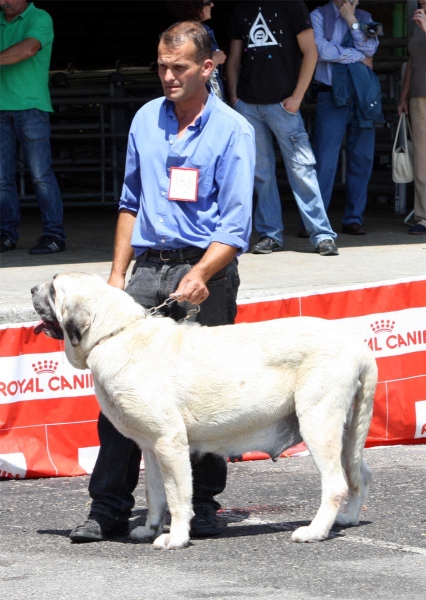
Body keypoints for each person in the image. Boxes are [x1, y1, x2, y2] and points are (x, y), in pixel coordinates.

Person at [69, 21, 255, 543]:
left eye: (179, 67)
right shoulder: (145, 119)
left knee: (203, 389)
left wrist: (200, 275)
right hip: (147, 268)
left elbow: (236, 226)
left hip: (205, 270)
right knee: (119, 394)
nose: (168, 76)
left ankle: (201, 504)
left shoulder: (233, 130)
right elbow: (130, 201)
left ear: (208, 66)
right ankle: (107, 507)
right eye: (161, 67)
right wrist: (114, 278)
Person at [227, 0, 339, 257]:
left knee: (301, 169)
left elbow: (311, 52)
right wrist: (235, 97)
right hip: (249, 104)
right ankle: (271, 234)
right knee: (261, 172)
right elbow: (234, 58)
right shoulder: (241, 9)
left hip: (283, 103)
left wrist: (297, 97)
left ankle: (321, 234)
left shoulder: (292, 5)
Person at [0, 0, 66, 254]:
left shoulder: (39, 17)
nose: (3, 2)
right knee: (2, 179)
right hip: (2, 108)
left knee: (40, 176)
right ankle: (6, 233)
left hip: (31, 107)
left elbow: (27, 49)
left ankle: (54, 235)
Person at [311, 0, 381, 236]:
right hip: (330, 97)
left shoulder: (364, 15)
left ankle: (353, 218)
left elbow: (371, 50)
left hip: (362, 97)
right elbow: (322, 51)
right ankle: (316, 222)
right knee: (325, 160)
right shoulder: (318, 15)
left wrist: (352, 21)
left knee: (362, 159)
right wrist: (357, 56)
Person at [397, 1, 426, 235]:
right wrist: (404, 96)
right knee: (421, 160)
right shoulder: (417, 21)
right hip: (419, 96)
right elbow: (412, 62)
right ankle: (423, 216)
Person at [167, 0, 226, 100]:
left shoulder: (203, 29)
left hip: (213, 100)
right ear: (193, 6)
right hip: (199, 104)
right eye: (207, 2)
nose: (212, 5)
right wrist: (216, 58)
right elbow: (189, 74)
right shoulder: (185, 34)